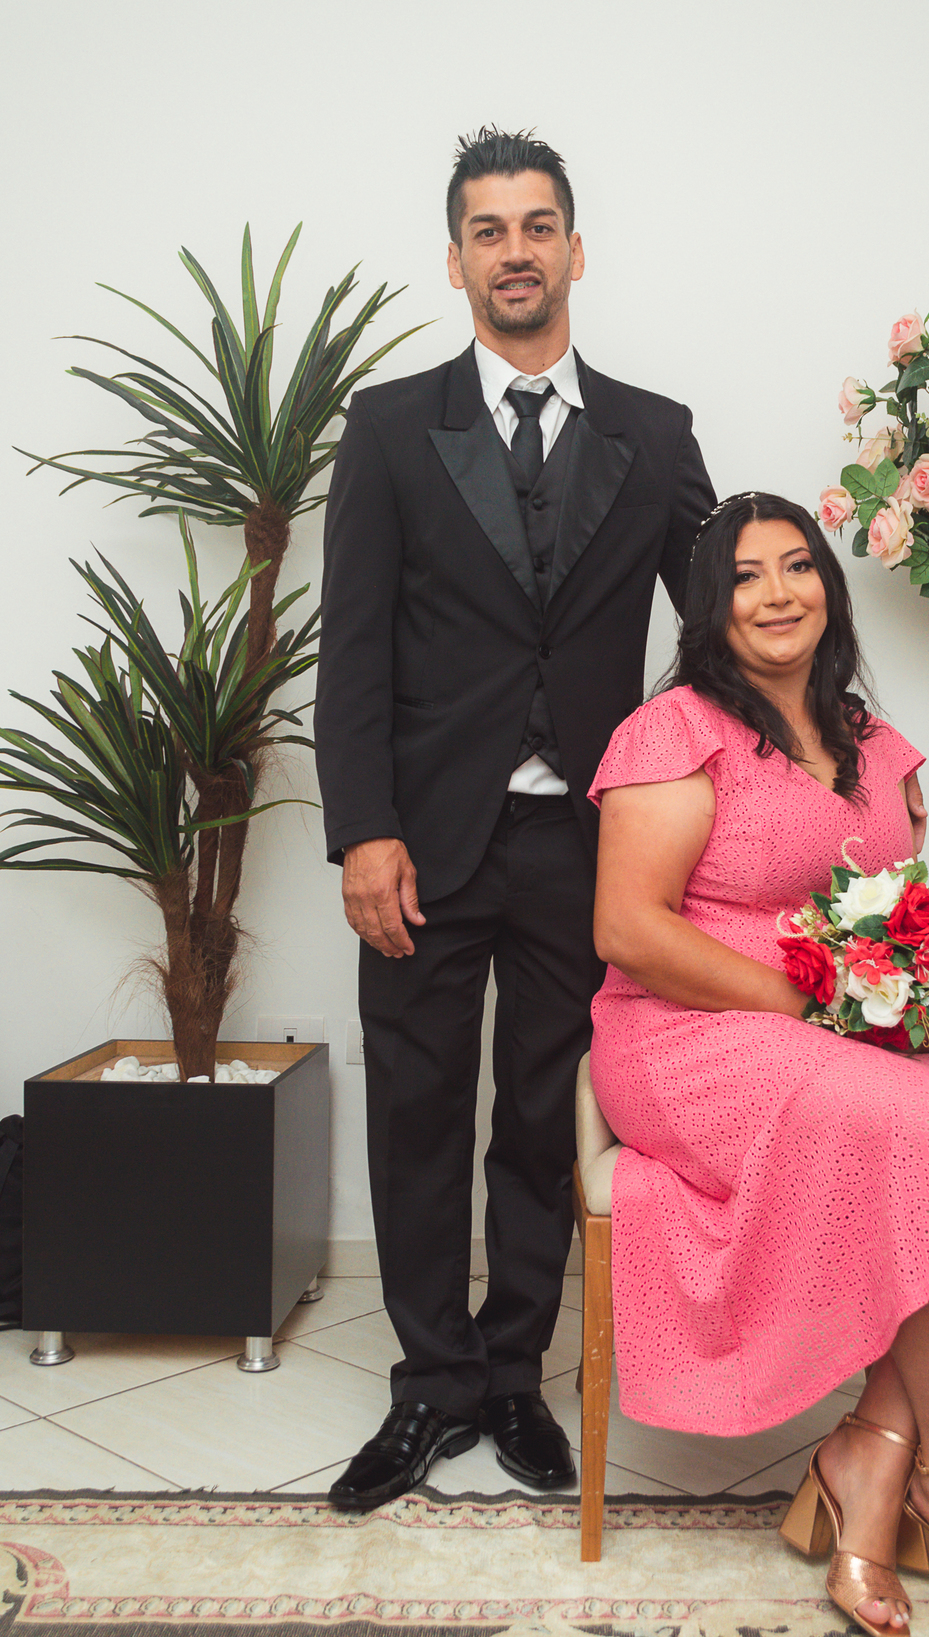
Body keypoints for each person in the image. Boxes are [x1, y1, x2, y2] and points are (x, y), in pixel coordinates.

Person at [587, 492, 929, 1637]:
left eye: (797, 566)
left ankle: (873, 1450)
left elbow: (890, 907)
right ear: (710, 607)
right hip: (684, 1033)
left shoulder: (869, 740)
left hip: (830, 1036)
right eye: (746, 575)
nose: (777, 593)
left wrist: (919, 992)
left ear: (828, 584)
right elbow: (627, 927)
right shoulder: (674, 729)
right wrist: (802, 1002)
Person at [313, 128, 715, 1511]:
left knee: (545, 1117)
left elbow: (723, 628)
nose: (516, 251)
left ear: (575, 249)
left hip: (586, 848)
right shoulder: (387, 429)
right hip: (421, 842)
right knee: (418, 1110)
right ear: (457, 262)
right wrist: (363, 829)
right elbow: (353, 649)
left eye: (538, 225)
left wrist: (826, 743)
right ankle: (429, 1382)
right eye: (489, 231)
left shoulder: (654, 433)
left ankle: (512, 1377)